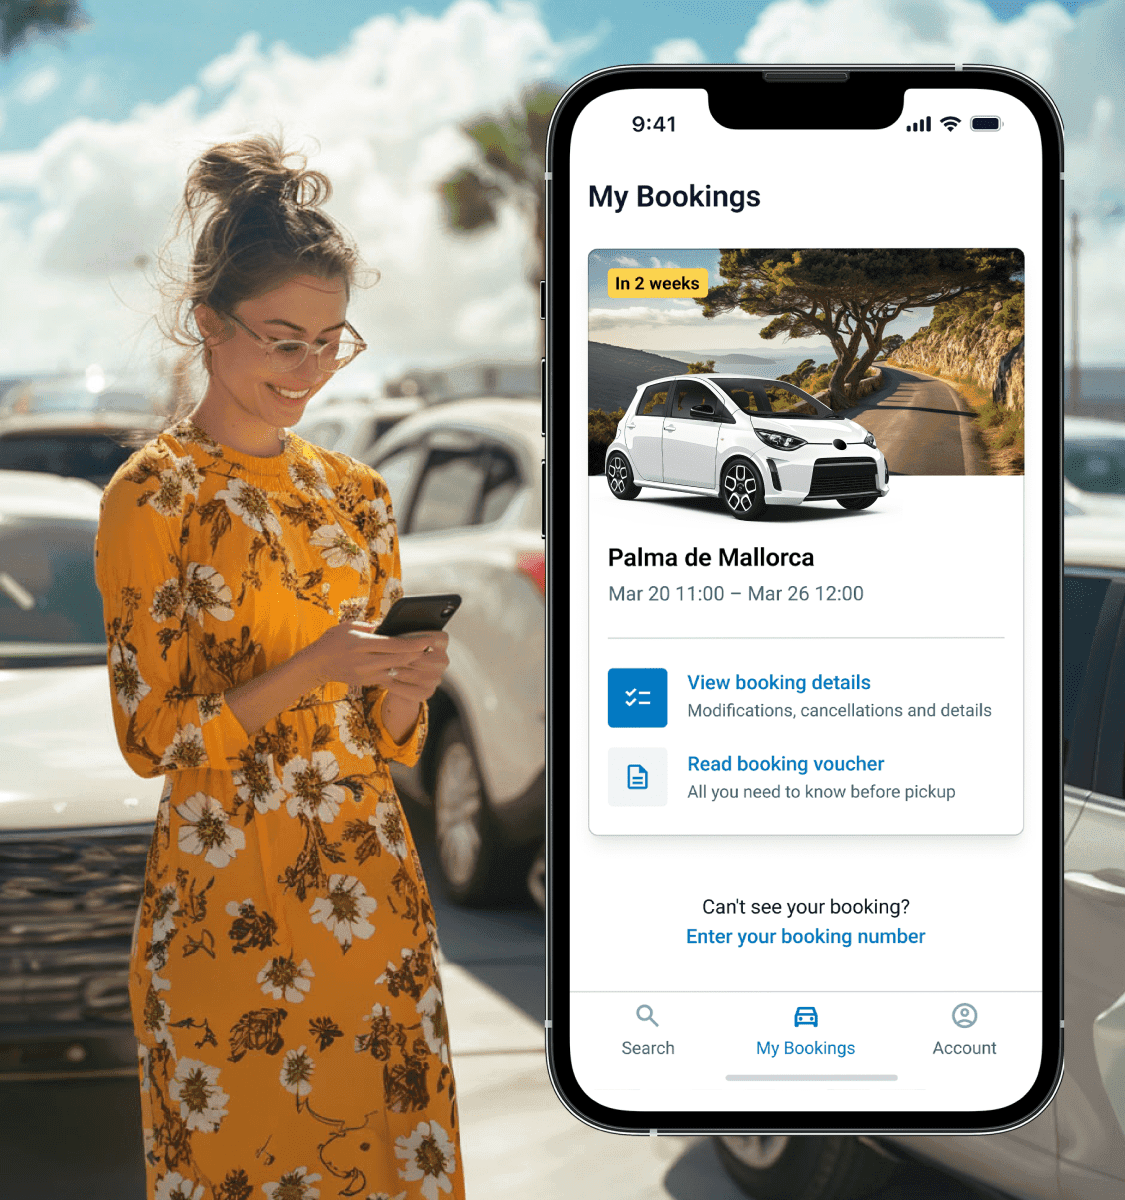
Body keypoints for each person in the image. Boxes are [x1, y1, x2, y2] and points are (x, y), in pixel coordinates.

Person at [94, 134, 464, 1200]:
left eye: (329, 343)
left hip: (371, 890)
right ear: (211, 324)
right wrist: (309, 668)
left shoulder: (358, 495)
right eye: (282, 340)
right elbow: (151, 737)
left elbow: (384, 740)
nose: (307, 370)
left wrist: (401, 692)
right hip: (229, 906)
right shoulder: (152, 495)